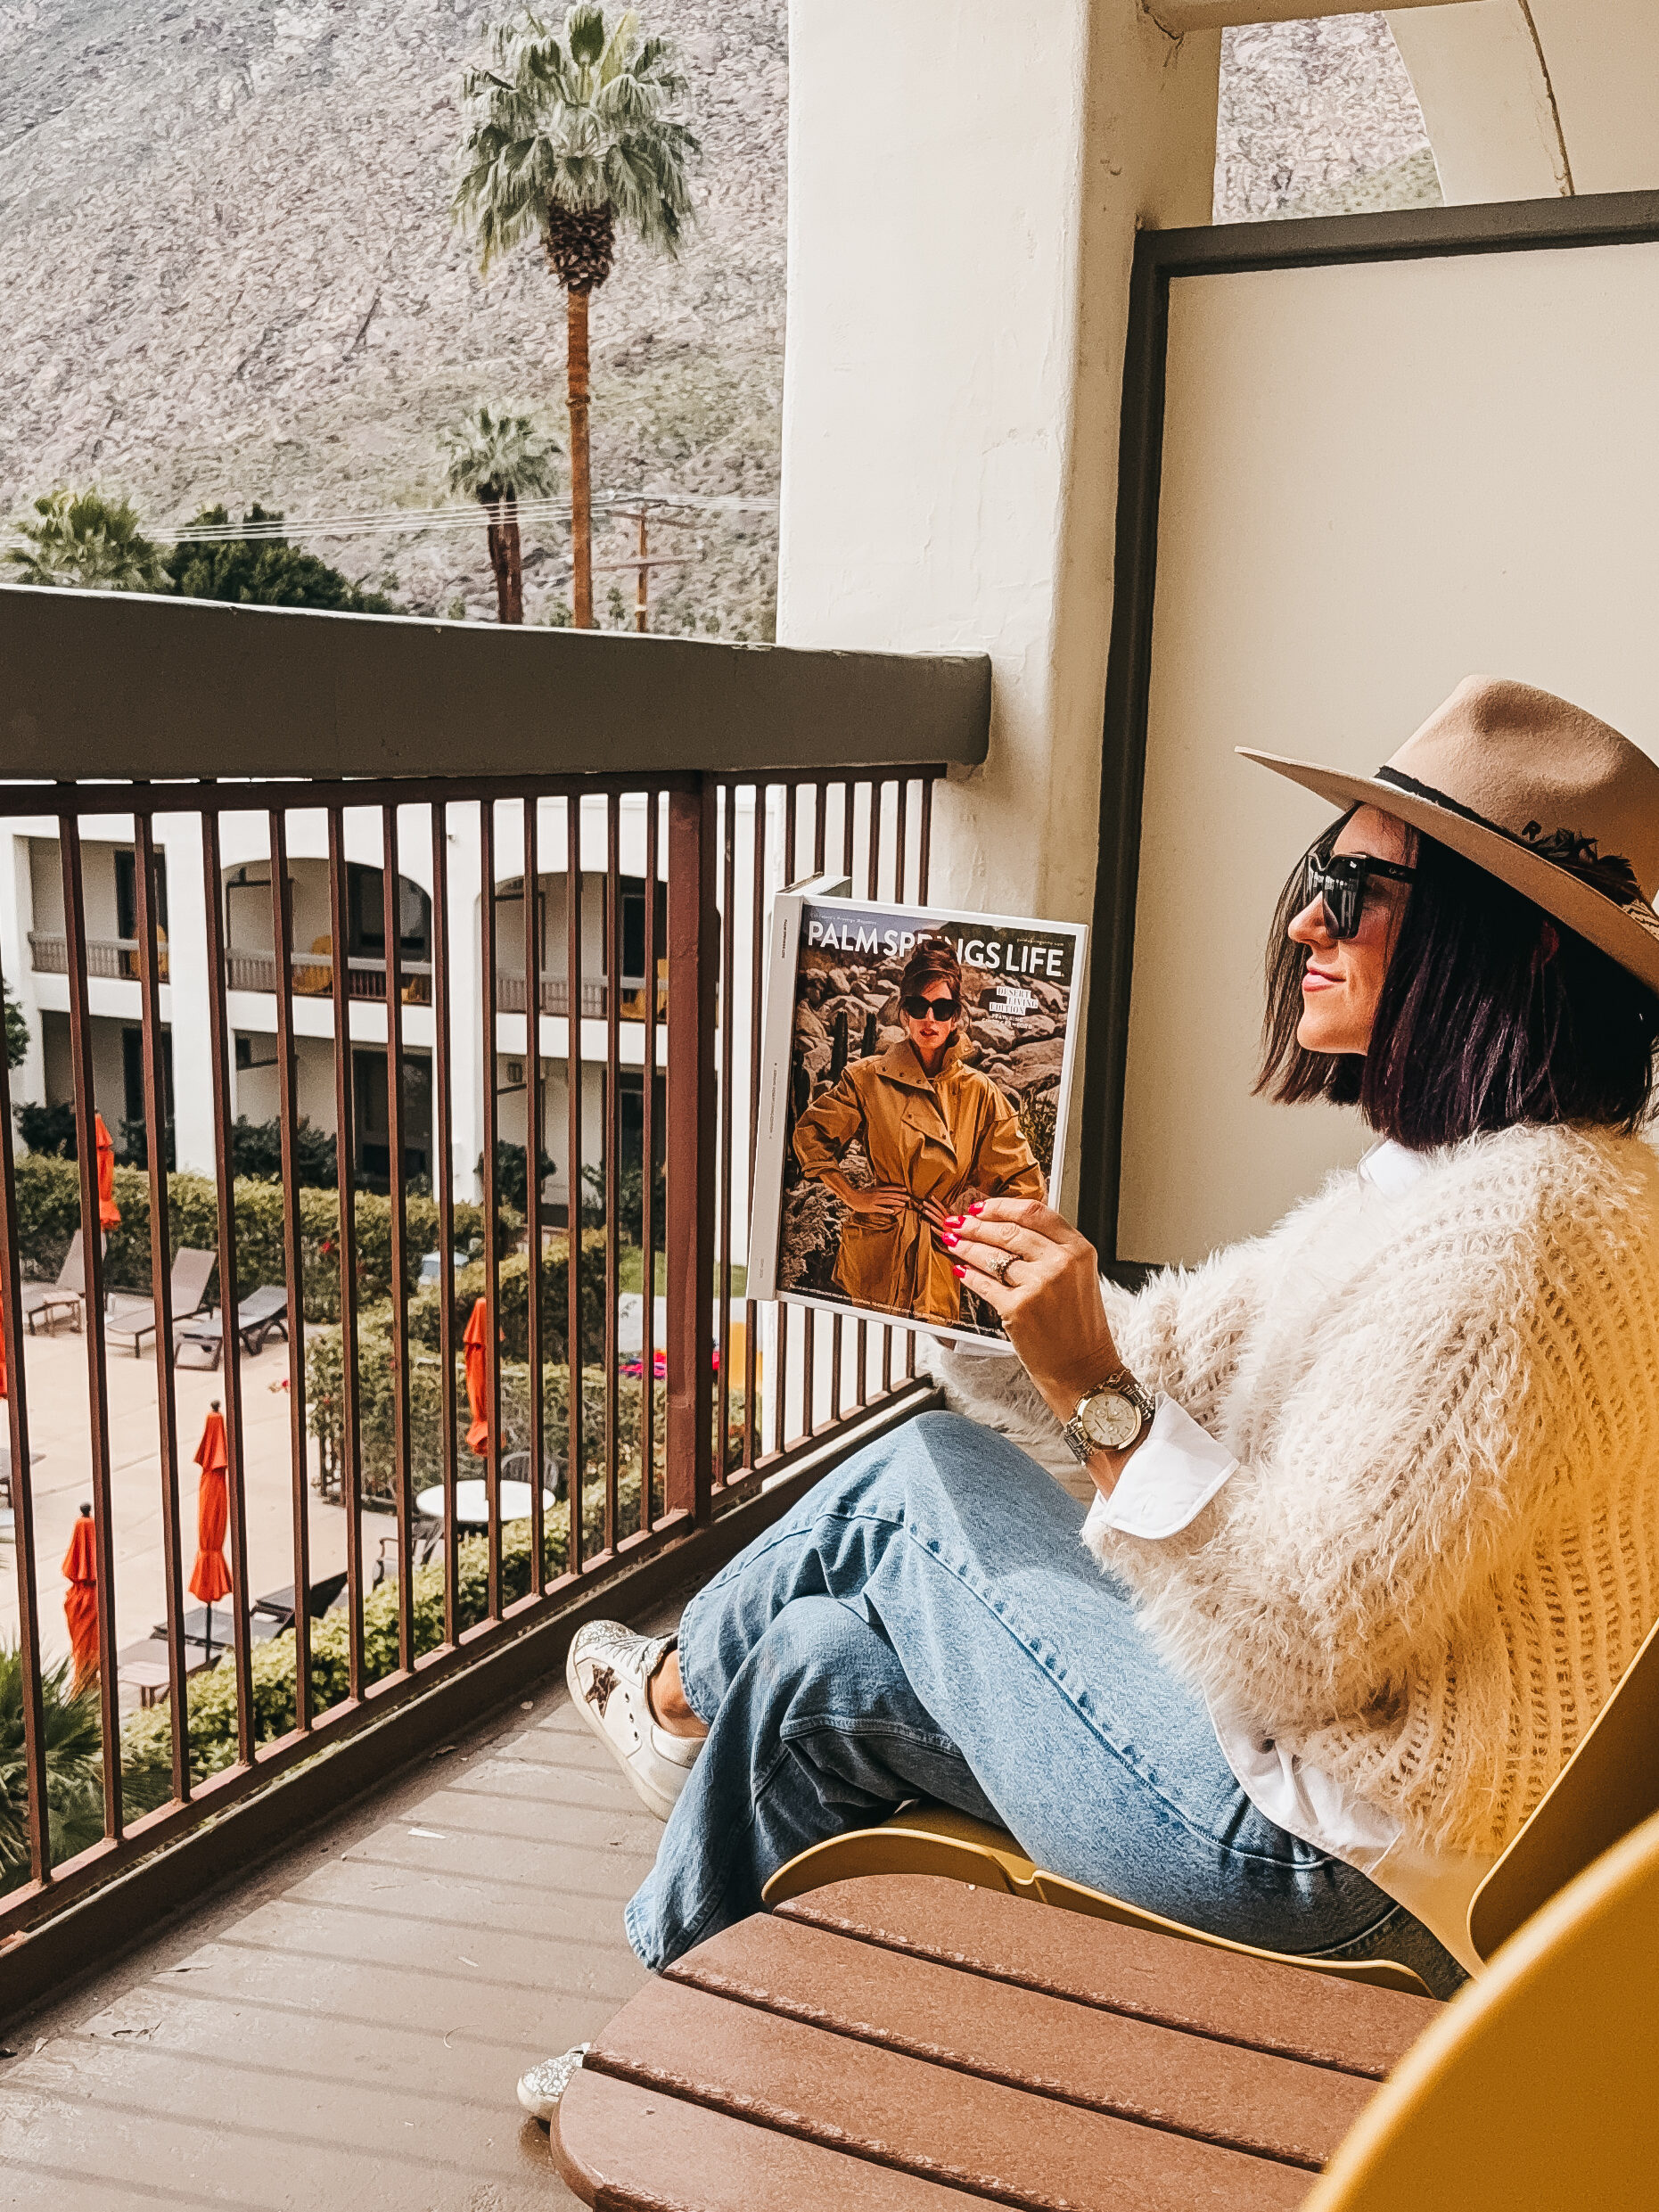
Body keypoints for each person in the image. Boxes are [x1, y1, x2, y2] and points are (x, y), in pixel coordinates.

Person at [520, 674, 1659, 2117]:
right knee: (811, 1669)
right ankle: (653, 2053)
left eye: (1356, 888)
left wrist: (1091, 1388)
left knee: (922, 1483)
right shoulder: (1484, 1187)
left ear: (1509, 940)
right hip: (1339, 1797)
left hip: (1336, 1860)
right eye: (1319, 874)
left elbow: (1296, 1639)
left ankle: (672, 1702)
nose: (1304, 918)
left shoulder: (1523, 1248)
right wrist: (970, 1254)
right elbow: (1173, 1351)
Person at [790, 940, 1045, 1328]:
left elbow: (1025, 1186)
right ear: (902, 1013)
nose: (930, 1019)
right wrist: (854, 1196)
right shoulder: (867, 1078)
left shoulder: (981, 1092)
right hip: (877, 1247)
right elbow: (810, 1134)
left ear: (956, 1017)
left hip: (942, 1253)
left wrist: (967, 1215)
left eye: (942, 1009)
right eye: (917, 1006)